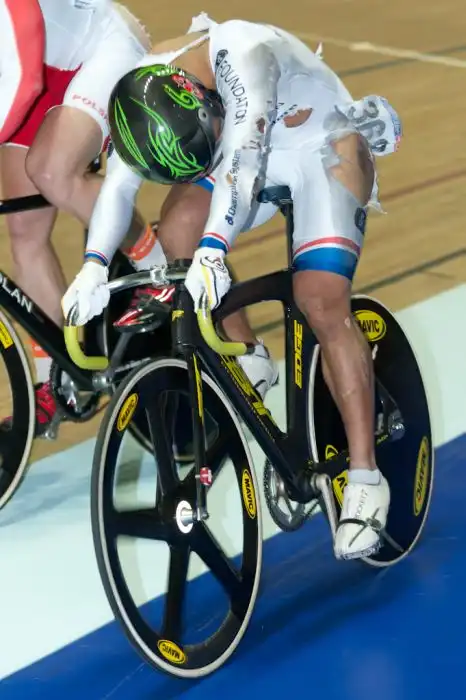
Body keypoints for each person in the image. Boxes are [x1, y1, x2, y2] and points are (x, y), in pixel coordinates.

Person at [62, 13, 402, 561]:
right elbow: (118, 190)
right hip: (231, 152)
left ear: (203, 103)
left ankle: (366, 478)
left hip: (318, 144)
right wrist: (94, 266)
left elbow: (242, 163)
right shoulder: (141, 97)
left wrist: (215, 250)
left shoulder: (244, 55)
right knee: (177, 232)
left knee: (319, 299)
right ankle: (250, 355)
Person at [0, 0, 159, 436]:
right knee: (24, 232)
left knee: (53, 173)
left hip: (99, 49)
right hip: (33, 70)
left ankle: (158, 266)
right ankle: (54, 382)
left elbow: (26, 82)